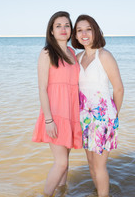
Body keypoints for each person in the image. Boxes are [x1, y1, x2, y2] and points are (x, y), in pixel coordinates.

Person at [71, 14, 124, 197]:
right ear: (75, 35)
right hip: (84, 116)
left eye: (88, 29)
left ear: (95, 31)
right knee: (91, 164)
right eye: (79, 30)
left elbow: (118, 89)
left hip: (103, 117)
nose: (84, 33)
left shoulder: (105, 56)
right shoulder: (77, 57)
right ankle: (98, 193)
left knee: (100, 166)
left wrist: (113, 117)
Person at [32, 11, 82, 196]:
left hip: (71, 113)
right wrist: (48, 120)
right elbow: (42, 88)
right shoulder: (46, 53)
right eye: (58, 26)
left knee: (66, 162)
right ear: (51, 31)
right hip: (55, 115)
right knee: (61, 162)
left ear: (71, 30)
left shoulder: (72, 52)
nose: (63, 29)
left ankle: (62, 192)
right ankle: (45, 194)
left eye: (67, 25)